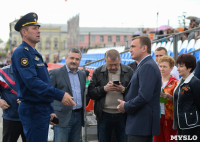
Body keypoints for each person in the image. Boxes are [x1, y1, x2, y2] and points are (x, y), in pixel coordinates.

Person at [11, 12, 75, 142]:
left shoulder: (34, 53)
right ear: (24, 32)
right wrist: (60, 95)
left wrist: (49, 109)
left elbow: (45, 81)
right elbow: (32, 82)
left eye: (38, 28)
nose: (38, 31)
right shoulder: (22, 52)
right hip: (33, 109)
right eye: (34, 28)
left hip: (41, 108)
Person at [117, 36, 161, 142]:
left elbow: (144, 96)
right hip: (139, 124)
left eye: (133, 46)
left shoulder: (147, 66)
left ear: (144, 48)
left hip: (141, 125)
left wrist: (126, 106)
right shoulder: (144, 65)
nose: (130, 50)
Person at [88, 49, 133, 142]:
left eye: (115, 64)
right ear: (105, 61)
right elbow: (91, 93)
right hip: (104, 115)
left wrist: (123, 89)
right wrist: (104, 89)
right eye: (110, 65)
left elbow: (134, 93)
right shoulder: (98, 71)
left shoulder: (128, 71)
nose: (113, 67)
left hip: (123, 114)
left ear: (120, 61)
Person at [49, 48, 86, 142]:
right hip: (61, 117)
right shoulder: (55, 73)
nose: (74, 61)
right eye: (72, 58)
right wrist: (50, 111)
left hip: (78, 117)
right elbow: (48, 93)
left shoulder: (82, 75)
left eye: (77, 59)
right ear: (66, 58)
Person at [0, 47, 26, 142]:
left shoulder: (32, 72)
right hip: (11, 118)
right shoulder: (2, 73)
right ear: (11, 56)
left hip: (29, 118)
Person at [173, 54, 200, 142]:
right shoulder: (180, 82)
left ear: (189, 68)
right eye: (178, 66)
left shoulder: (195, 82)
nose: (178, 69)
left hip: (192, 125)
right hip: (181, 123)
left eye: (181, 66)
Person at [153, 56, 178, 142]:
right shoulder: (154, 81)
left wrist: (169, 97)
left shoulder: (175, 82)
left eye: (165, 66)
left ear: (171, 68)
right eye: (160, 66)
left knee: (170, 140)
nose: (162, 69)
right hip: (157, 116)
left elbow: (179, 101)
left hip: (170, 117)